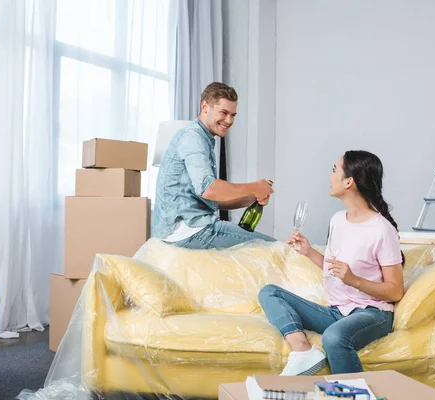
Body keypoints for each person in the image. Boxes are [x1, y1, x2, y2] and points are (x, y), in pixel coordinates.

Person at [258, 150, 405, 376]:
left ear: (349, 181)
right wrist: (309, 252)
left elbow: (395, 291)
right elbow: (335, 269)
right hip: (337, 312)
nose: (330, 176)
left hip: (372, 314)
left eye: (334, 170)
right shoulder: (337, 220)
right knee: (270, 293)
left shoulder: (382, 230)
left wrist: (354, 280)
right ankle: (303, 350)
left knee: (334, 337)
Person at [152, 82, 276, 249]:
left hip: (189, 227)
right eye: (224, 113)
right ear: (205, 106)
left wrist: (251, 198)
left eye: (233, 115)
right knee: (277, 249)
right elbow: (209, 189)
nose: (229, 120)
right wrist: (254, 187)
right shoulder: (192, 137)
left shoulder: (203, 138)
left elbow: (208, 198)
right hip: (189, 230)